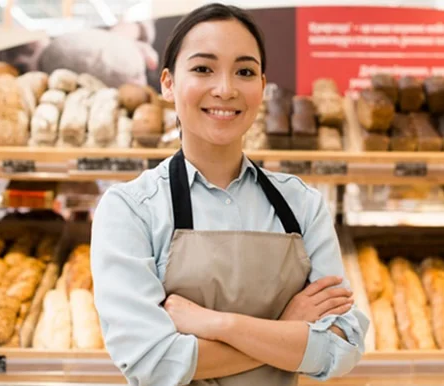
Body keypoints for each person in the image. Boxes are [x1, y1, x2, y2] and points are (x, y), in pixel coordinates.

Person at [90, 3, 369, 386]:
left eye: (244, 72)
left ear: (262, 86)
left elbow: (341, 348)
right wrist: (286, 329)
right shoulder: (130, 211)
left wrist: (216, 324)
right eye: (203, 69)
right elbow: (153, 362)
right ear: (168, 83)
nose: (226, 89)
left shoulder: (302, 205)